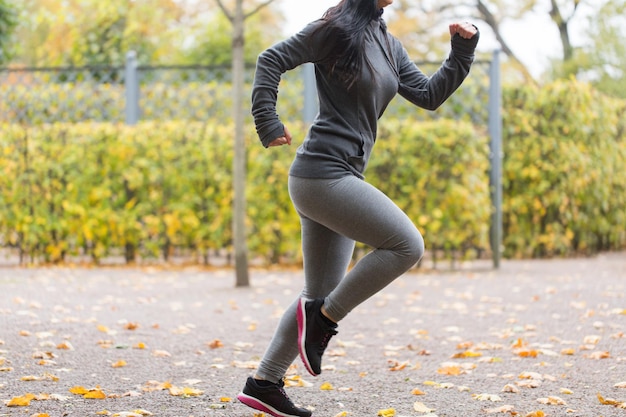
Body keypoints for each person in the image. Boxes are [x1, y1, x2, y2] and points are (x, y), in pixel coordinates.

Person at [237, 0, 479, 416]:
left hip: (338, 175)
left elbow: (428, 94)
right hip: (322, 174)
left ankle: (264, 383)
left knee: (315, 294)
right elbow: (271, 58)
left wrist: (462, 50)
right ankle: (323, 321)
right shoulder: (335, 29)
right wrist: (267, 122)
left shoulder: (388, 43)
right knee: (407, 245)